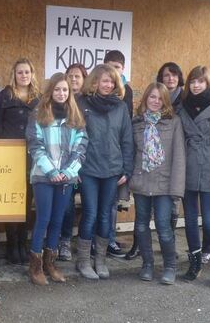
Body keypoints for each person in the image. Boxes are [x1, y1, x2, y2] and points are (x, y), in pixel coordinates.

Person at [26, 73, 87, 285]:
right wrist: (52, 171)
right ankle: (35, 267)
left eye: (65, 90)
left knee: (58, 220)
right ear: (50, 92)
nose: (61, 94)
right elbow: (35, 146)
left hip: (66, 178)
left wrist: (67, 172)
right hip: (43, 177)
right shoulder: (39, 114)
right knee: (43, 219)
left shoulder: (75, 117)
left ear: (69, 93)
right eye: (57, 89)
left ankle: (50, 264)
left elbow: (81, 148)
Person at [75, 64, 134, 280]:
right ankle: (82, 261)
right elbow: (74, 137)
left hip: (112, 170)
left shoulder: (120, 107)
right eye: (104, 81)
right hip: (88, 169)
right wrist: (75, 166)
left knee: (104, 216)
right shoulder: (82, 104)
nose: (107, 85)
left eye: (111, 81)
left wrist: (127, 168)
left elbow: (127, 140)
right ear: (94, 82)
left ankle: (100, 260)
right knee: (89, 214)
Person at [178, 66, 210, 288]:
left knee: (209, 221)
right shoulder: (182, 108)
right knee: (190, 220)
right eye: (192, 82)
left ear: (208, 83)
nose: (196, 85)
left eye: (200, 81)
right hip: (188, 169)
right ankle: (195, 263)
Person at [129, 83, 185, 285]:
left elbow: (179, 157)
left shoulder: (174, 122)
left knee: (163, 225)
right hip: (141, 181)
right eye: (152, 97)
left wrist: (176, 189)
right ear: (145, 99)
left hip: (164, 184)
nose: (155, 101)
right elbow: (131, 154)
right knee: (142, 225)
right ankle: (147, 264)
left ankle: (170, 266)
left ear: (165, 102)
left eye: (160, 98)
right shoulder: (136, 123)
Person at [0, 58, 41, 265]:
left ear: (32, 74)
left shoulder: (38, 98)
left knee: (27, 203)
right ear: (14, 74)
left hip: (32, 156)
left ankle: (22, 243)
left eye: (27, 72)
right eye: (20, 72)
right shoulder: (4, 96)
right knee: (11, 202)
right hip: (9, 156)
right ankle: (11, 245)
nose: (24, 76)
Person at [103, 50, 133, 259]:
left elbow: (126, 128)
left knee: (112, 203)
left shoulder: (126, 91)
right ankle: (97, 242)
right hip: (96, 156)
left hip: (116, 156)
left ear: (123, 69)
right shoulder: (95, 87)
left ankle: (110, 239)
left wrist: (125, 162)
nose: (114, 71)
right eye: (110, 66)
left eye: (118, 67)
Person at [59, 63, 88, 262]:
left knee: (89, 205)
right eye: (70, 76)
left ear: (84, 79)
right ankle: (65, 241)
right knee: (67, 205)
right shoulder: (60, 102)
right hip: (64, 165)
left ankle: (87, 242)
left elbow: (85, 137)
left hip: (87, 162)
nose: (74, 79)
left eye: (78, 76)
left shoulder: (89, 102)